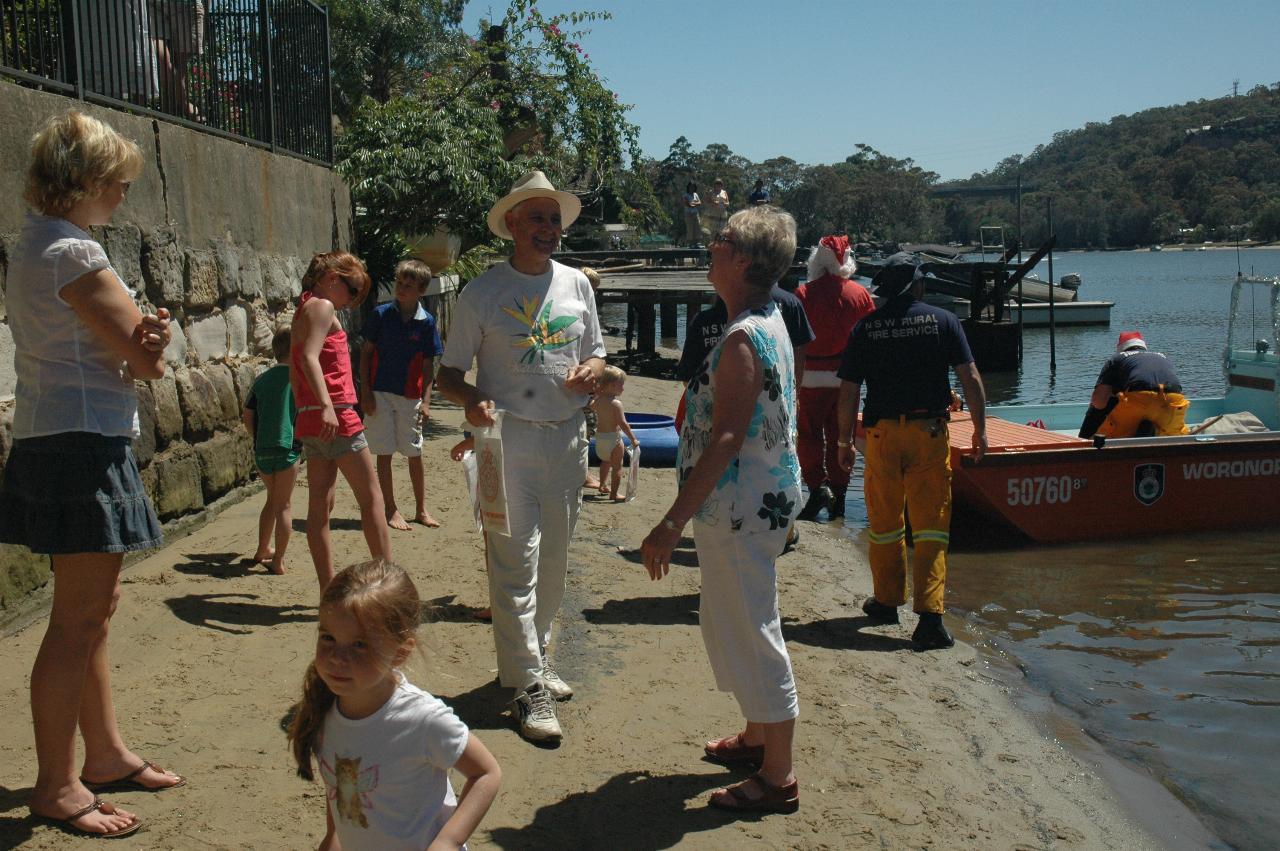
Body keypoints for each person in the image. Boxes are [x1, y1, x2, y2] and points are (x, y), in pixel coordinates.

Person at [0, 109, 183, 839]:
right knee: (77, 623)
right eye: (119, 183)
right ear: (86, 181)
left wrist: (143, 339)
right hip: (83, 442)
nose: (123, 196)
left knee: (89, 618)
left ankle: (101, 753)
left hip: (57, 434)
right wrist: (154, 341)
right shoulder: (75, 251)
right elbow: (143, 361)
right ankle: (57, 782)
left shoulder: (33, 245)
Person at [641, 206, 803, 815]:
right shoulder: (769, 318)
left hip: (740, 505)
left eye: (721, 240)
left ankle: (779, 775)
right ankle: (759, 737)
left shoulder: (742, 337)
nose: (710, 246)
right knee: (733, 617)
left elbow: (728, 437)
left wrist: (669, 521)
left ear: (743, 260)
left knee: (754, 628)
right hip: (755, 500)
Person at [437, 170, 605, 744]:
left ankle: (536, 658)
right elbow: (448, 375)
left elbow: (599, 356)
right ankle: (526, 686)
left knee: (555, 561)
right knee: (515, 564)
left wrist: (596, 372)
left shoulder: (577, 286)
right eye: (537, 218)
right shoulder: (481, 292)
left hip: (567, 438)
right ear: (511, 224)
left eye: (554, 219)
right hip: (504, 443)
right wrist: (474, 398)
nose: (549, 229)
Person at [288, 560, 501, 851]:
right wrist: (333, 839)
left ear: (400, 652)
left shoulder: (422, 719)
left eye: (360, 645)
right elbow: (339, 787)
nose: (337, 657)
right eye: (328, 638)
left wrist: (449, 841)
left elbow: (486, 773)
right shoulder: (325, 709)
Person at [835, 253, 987, 650]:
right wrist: (981, 430)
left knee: (885, 524)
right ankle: (930, 619)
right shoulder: (943, 321)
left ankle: (886, 602)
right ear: (916, 285)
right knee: (932, 525)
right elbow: (969, 376)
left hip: (882, 435)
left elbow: (849, 389)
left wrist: (843, 442)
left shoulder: (865, 329)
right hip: (929, 433)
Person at [291, 251, 390, 590]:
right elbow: (308, 357)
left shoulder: (304, 306)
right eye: (352, 291)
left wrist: (311, 410)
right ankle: (386, 582)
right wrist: (328, 406)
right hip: (336, 415)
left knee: (320, 506)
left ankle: (327, 589)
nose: (351, 302)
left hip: (311, 419)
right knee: (372, 498)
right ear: (333, 278)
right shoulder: (322, 306)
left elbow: (297, 363)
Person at [359, 259, 445, 531]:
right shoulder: (381, 315)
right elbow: (366, 354)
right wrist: (366, 393)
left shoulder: (426, 322)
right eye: (399, 283)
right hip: (380, 391)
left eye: (409, 285)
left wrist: (427, 401)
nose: (402, 289)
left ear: (421, 290)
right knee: (384, 453)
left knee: (414, 452)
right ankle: (391, 509)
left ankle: (421, 509)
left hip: (410, 395)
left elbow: (428, 363)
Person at [794, 235, 875, 522]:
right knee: (843, 438)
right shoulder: (860, 295)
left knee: (808, 435)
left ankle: (818, 486)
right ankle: (840, 497)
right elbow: (871, 337)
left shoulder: (802, 294)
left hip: (809, 379)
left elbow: (794, 340)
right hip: (846, 380)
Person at [243, 326, 300, 574]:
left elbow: (248, 414)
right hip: (287, 449)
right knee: (284, 505)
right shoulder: (299, 380)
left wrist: (256, 436)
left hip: (262, 450)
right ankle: (278, 561)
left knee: (271, 500)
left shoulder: (261, 380)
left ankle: (262, 548)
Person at [1079, 331, 1189, 439]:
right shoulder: (1163, 357)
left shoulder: (1117, 358)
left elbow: (1099, 402)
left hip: (1140, 399)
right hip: (1173, 402)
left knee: (1103, 403)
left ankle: (1083, 442)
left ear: (1120, 348)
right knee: (1174, 435)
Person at [591, 365, 639, 501]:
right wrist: (633, 439)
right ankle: (614, 494)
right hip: (614, 440)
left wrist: (597, 393)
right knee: (617, 466)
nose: (623, 388)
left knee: (605, 462)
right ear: (612, 386)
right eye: (621, 385)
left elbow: (589, 407)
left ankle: (602, 484)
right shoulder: (616, 403)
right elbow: (623, 424)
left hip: (600, 440)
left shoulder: (596, 401)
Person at [682, 181, 703, 247]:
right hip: (688, 214)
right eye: (691, 187)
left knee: (697, 227)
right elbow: (687, 204)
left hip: (695, 213)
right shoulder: (685, 195)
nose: (692, 188)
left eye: (693, 187)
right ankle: (691, 243)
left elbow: (699, 203)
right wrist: (693, 204)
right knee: (690, 228)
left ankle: (697, 242)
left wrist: (693, 203)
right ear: (688, 187)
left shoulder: (695, 194)